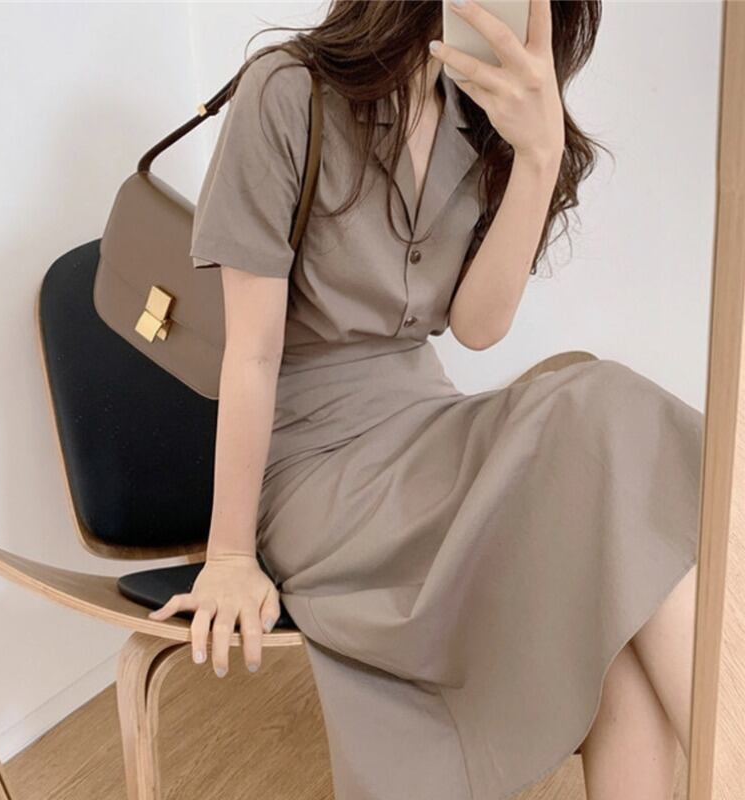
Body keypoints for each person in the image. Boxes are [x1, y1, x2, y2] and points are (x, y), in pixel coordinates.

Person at [149, 1, 702, 798]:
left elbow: (477, 327)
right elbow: (254, 354)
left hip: (429, 425)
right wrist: (230, 557)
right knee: (603, 409)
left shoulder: (478, 120)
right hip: (317, 468)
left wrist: (538, 157)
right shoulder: (289, 91)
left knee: (620, 591)